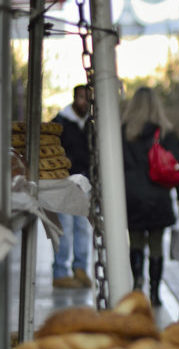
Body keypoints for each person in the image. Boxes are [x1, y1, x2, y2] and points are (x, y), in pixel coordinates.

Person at [121, 87, 179, 306]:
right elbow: (178, 165)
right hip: (158, 196)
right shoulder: (166, 133)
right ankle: (155, 292)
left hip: (132, 196)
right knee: (156, 245)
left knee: (135, 242)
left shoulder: (123, 132)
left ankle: (137, 284)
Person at [51, 85, 92, 289]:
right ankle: (60, 271)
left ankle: (80, 269)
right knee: (64, 228)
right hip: (63, 182)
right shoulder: (60, 122)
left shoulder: (90, 125)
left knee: (82, 227)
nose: (84, 102)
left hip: (83, 182)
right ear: (74, 98)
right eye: (81, 97)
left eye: (87, 98)